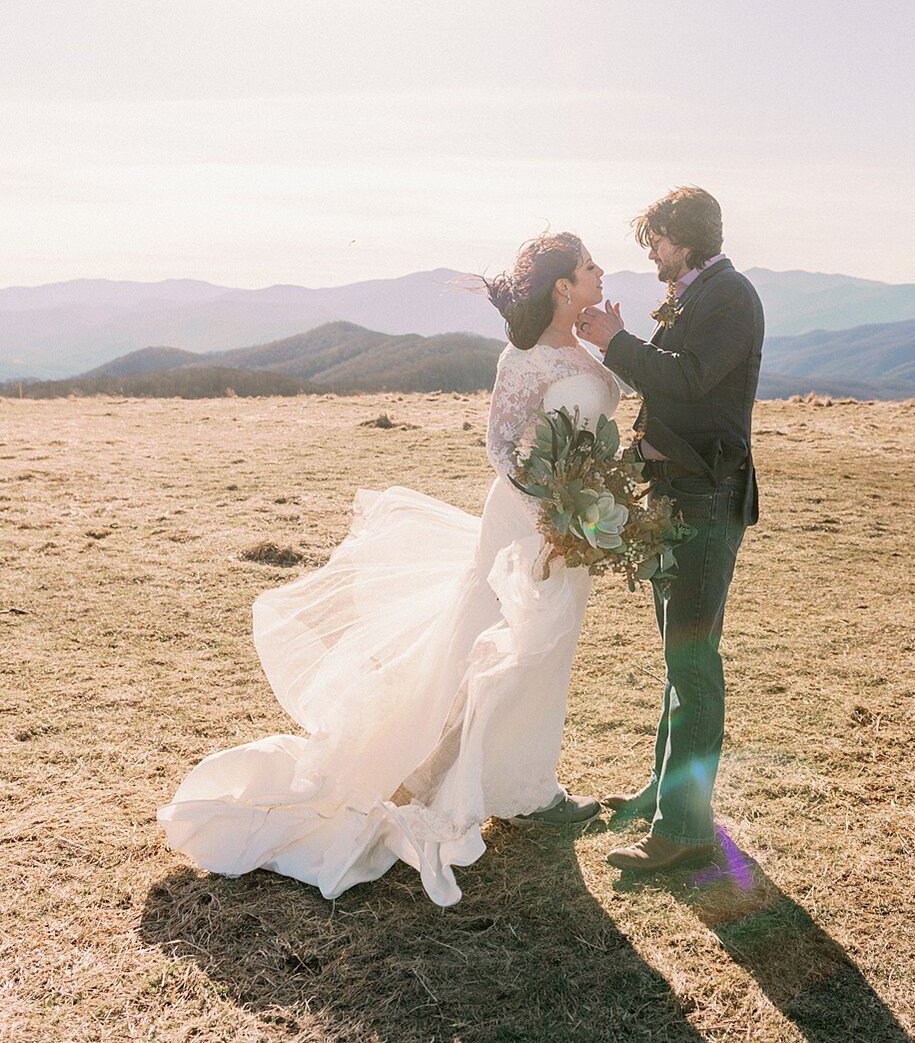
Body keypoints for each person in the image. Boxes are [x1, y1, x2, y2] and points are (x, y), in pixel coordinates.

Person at [157, 233, 619, 907]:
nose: (600, 272)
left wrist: (591, 494)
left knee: (549, 648)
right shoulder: (523, 357)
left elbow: (599, 416)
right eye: (588, 267)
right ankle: (453, 775)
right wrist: (552, 505)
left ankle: (527, 787)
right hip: (530, 520)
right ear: (561, 285)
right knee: (501, 644)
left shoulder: (586, 345)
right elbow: (501, 445)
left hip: (577, 522)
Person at [575, 187, 764, 874]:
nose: (650, 250)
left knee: (693, 664)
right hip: (677, 495)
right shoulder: (700, 292)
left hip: (706, 500)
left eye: (657, 238)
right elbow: (675, 384)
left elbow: (688, 379)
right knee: (679, 655)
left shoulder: (731, 296)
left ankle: (686, 828)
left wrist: (616, 342)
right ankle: (666, 793)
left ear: (685, 238)